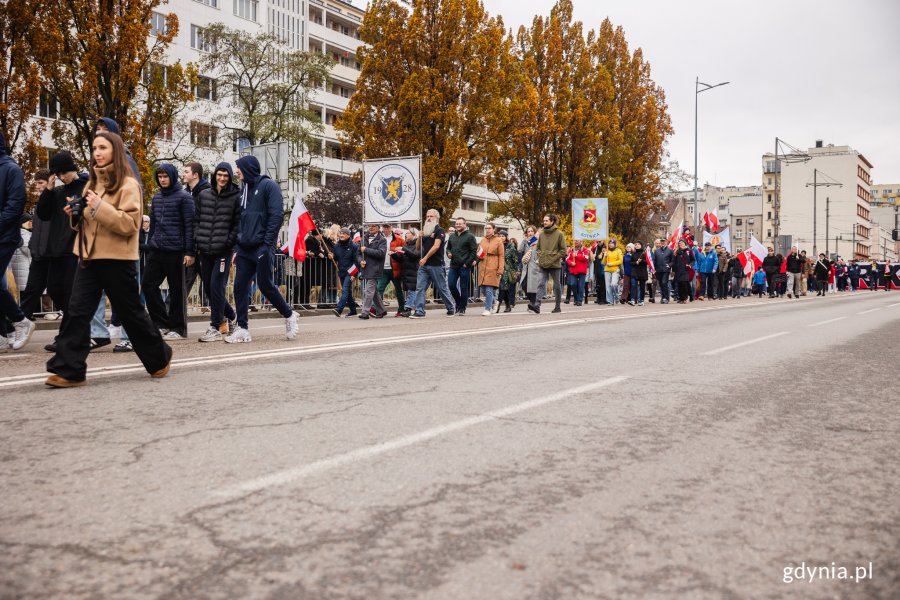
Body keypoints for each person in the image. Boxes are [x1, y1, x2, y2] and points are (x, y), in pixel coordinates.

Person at [45, 132, 172, 386]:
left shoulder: (128, 184)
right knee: (77, 311)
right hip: (89, 257)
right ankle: (70, 369)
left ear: (115, 150)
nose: (97, 153)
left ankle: (159, 357)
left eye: (103, 147)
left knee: (131, 313)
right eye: (94, 148)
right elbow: (88, 221)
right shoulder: (92, 183)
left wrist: (96, 207)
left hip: (117, 259)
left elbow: (129, 224)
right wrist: (76, 213)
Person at [225, 155, 299, 342]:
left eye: (239, 168)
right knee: (239, 287)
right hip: (244, 248)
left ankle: (289, 314)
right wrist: (236, 246)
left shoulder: (269, 186)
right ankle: (242, 328)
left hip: (261, 247)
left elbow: (276, 216)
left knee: (265, 285)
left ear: (249, 168)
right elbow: (239, 220)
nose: (236, 172)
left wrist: (267, 245)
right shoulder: (243, 191)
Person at [29, 154, 86, 352]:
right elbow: (43, 214)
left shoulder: (84, 187)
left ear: (73, 169)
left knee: (71, 296)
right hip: (55, 250)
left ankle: (66, 337)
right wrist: (49, 190)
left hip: (74, 251)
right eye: (58, 174)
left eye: (64, 172)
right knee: (54, 290)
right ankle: (74, 332)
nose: (62, 177)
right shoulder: (57, 191)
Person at [141, 164, 195, 340]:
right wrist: (150, 246)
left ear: (172, 176)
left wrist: (189, 251)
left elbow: (189, 226)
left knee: (176, 290)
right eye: (160, 176)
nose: (162, 179)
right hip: (157, 250)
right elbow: (154, 224)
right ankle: (161, 323)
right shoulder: (156, 198)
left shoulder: (184, 197)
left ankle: (178, 328)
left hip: (176, 250)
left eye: (165, 176)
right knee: (148, 285)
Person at [194, 162, 240, 342]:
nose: (222, 178)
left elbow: (237, 225)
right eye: (219, 175)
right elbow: (196, 220)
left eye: (226, 176)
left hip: (223, 251)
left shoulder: (235, 196)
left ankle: (215, 326)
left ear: (230, 177)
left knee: (216, 286)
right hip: (205, 250)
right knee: (208, 288)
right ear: (214, 176)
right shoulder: (204, 194)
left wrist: (228, 243)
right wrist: (197, 239)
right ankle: (232, 316)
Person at [0, 132, 35, 350]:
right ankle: (7, 330)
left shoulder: (11, 169)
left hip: (4, 237)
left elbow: (15, 206)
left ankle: (20, 321)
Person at [410, 209, 455, 319]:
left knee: (441, 288)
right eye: (427, 216)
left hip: (436, 265)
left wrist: (425, 258)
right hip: (424, 266)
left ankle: (450, 307)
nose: (429, 218)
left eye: (431, 216)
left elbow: (436, 246)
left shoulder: (440, 231)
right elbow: (417, 248)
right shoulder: (425, 231)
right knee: (420, 288)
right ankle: (420, 311)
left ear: (437, 218)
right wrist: (419, 237)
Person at [530, 213, 566, 314]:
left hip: (554, 265)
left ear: (552, 221)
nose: (544, 222)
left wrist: (553, 258)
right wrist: (541, 255)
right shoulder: (541, 234)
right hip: (543, 264)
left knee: (557, 286)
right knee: (540, 283)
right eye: (544, 221)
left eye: (546, 221)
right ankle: (537, 305)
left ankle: (557, 307)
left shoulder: (559, 234)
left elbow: (563, 251)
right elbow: (538, 248)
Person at [445, 217, 477, 316]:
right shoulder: (452, 236)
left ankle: (462, 308)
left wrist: (466, 263)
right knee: (451, 285)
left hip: (464, 266)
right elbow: (448, 248)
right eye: (456, 223)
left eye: (460, 224)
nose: (458, 225)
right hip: (453, 265)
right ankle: (458, 302)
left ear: (465, 225)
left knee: (463, 287)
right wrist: (448, 253)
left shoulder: (470, 236)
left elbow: (473, 252)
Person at [358, 222, 387, 319]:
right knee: (374, 292)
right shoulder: (364, 238)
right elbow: (358, 253)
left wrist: (366, 250)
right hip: (365, 268)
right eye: (369, 226)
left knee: (369, 290)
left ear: (378, 228)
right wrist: (360, 261)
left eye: (373, 226)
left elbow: (381, 253)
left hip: (375, 268)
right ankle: (382, 310)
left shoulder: (382, 240)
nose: (371, 227)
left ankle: (365, 312)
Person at [376, 223, 405, 315]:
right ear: (382, 228)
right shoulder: (378, 239)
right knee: (379, 289)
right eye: (384, 227)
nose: (386, 229)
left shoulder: (399, 239)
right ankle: (379, 310)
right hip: (383, 268)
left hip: (395, 268)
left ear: (391, 228)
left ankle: (401, 309)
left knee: (398, 290)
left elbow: (404, 252)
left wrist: (396, 253)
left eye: (388, 227)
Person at [476, 223, 504, 316]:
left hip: (493, 266)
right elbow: (479, 252)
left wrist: (500, 268)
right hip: (483, 265)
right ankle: (495, 302)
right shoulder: (482, 240)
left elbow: (501, 255)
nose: (487, 230)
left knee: (489, 289)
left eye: (489, 228)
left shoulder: (498, 240)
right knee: (483, 289)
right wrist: (477, 258)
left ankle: (487, 309)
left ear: (493, 229)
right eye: (486, 228)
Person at [331, 227, 360, 317]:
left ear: (348, 235)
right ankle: (353, 310)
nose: (341, 235)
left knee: (345, 290)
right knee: (348, 293)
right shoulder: (336, 246)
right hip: (341, 271)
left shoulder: (354, 246)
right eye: (340, 233)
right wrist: (331, 256)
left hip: (350, 272)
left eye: (344, 233)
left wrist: (354, 274)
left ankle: (339, 309)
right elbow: (335, 258)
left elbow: (356, 261)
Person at [395, 229, 421, 316]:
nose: (406, 234)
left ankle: (408, 308)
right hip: (406, 270)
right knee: (410, 291)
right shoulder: (406, 244)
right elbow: (401, 258)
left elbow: (415, 255)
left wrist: (403, 249)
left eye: (408, 233)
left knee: (412, 290)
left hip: (414, 270)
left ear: (414, 235)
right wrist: (394, 255)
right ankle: (410, 309)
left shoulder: (418, 244)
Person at [519, 226, 541, 307]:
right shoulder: (526, 242)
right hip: (526, 267)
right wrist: (524, 240)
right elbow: (520, 250)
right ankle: (533, 301)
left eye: (532, 231)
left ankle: (534, 303)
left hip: (535, 267)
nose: (530, 233)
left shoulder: (538, 241)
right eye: (528, 231)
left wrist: (538, 261)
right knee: (524, 285)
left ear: (534, 232)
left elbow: (540, 252)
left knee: (533, 287)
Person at [498, 231, 520, 312]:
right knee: (505, 289)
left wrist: (516, 271)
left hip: (508, 271)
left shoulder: (510, 247)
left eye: (503, 236)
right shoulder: (497, 245)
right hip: (497, 270)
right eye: (499, 236)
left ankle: (498, 305)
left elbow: (515, 260)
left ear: (506, 237)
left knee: (502, 287)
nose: (501, 237)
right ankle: (508, 305)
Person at [601, 238, 623, 305]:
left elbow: (620, 261)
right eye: (610, 243)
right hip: (607, 270)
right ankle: (610, 301)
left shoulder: (618, 250)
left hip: (615, 270)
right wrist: (605, 257)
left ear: (615, 244)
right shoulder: (607, 251)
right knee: (608, 286)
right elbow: (603, 263)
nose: (611, 245)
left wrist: (611, 264)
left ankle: (616, 297)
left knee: (613, 284)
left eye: (612, 243)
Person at [652, 239, 674, 304]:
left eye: (663, 241)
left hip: (666, 270)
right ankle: (664, 297)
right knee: (661, 284)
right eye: (661, 242)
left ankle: (665, 298)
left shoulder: (670, 250)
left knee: (664, 283)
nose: (662, 243)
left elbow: (672, 260)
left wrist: (669, 265)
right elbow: (654, 260)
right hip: (658, 270)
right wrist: (653, 268)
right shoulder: (656, 251)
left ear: (666, 242)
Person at [672, 239, 694, 304]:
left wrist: (690, 265)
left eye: (682, 243)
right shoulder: (676, 252)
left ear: (685, 243)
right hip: (678, 270)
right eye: (679, 243)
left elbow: (693, 260)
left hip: (686, 270)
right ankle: (681, 298)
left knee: (685, 284)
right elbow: (673, 261)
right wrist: (670, 266)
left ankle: (686, 297)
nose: (680, 244)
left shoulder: (689, 251)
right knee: (679, 285)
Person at [629, 241, 648, 306]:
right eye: (636, 244)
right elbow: (631, 263)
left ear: (641, 245)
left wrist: (642, 261)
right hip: (635, 272)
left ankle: (641, 300)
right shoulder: (633, 253)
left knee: (642, 287)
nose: (637, 245)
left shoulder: (644, 253)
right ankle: (632, 300)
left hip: (642, 272)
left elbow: (647, 262)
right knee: (633, 285)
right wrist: (635, 263)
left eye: (638, 244)